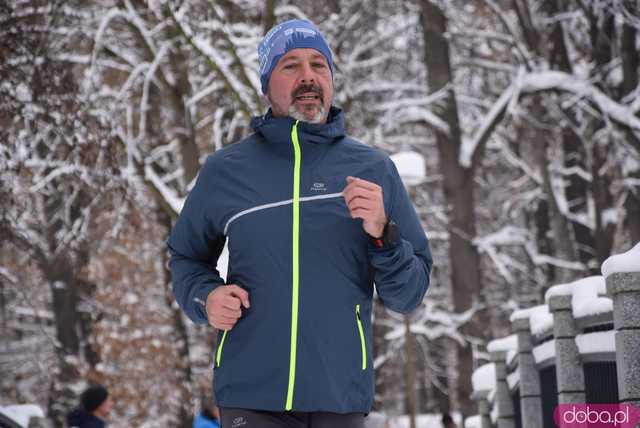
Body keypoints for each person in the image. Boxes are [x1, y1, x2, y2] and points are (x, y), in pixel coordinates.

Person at [168, 18, 433, 428]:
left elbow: (408, 295)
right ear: (266, 84)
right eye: (290, 65)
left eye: (319, 65)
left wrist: (384, 234)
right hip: (250, 393)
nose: (308, 76)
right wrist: (207, 298)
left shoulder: (373, 169)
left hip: (339, 395)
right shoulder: (226, 172)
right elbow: (186, 257)